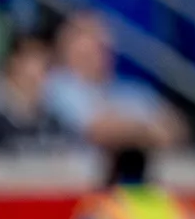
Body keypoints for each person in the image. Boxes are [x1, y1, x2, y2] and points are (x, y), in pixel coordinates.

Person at [43, 11, 186, 151]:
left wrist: (127, 130)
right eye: (92, 38)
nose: (102, 45)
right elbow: (98, 132)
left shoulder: (132, 89)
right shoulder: (58, 86)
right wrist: (145, 130)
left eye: (104, 41)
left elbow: (176, 130)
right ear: (68, 48)